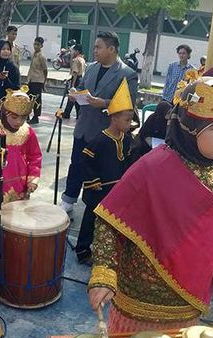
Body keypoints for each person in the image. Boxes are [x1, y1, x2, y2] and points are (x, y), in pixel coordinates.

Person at [87, 67, 213, 332]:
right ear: (189, 127)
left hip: (191, 294)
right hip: (140, 293)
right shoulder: (153, 167)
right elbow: (110, 220)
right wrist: (104, 273)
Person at [61, 32, 137, 215]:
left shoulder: (127, 74)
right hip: (84, 127)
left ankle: (97, 208)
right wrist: (75, 93)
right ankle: (69, 199)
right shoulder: (92, 68)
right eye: (95, 47)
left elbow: (129, 105)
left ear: (111, 49)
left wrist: (103, 103)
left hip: (106, 133)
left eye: (98, 47)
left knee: (100, 172)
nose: (94, 50)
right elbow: (82, 88)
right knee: (77, 164)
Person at [0, 89, 41, 257]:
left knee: (18, 220)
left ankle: (15, 253)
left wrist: (33, 179)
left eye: (23, 117)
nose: (19, 122)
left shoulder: (28, 132)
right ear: (5, 112)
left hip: (20, 186)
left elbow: (35, 156)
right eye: (14, 117)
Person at [76, 78, 134, 264]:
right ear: (114, 118)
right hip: (98, 190)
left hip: (115, 189)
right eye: (127, 119)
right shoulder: (100, 140)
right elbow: (84, 160)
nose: (130, 123)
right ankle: (83, 250)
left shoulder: (126, 139)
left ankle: (106, 249)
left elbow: (126, 160)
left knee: (111, 221)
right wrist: (92, 181)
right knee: (90, 219)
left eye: (131, 119)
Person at [26, 37, 47, 125]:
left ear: (41, 45)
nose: (36, 46)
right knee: (28, 98)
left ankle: (36, 117)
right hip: (31, 79)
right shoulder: (33, 54)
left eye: (38, 44)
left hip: (38, 80)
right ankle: (27, 115)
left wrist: (44, 82)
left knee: (37, 100)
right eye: (35, 44)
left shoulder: (42, 57)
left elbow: (45, 70)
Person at [62, 44, 85, 119]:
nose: (72, 52)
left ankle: (66, 113)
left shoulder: (75, 60)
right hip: (81, 79)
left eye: (73, 51)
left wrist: (73, 85)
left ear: (77, 51)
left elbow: (75, 73)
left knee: (71, 97)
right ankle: (79, 114)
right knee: (78, 98)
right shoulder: (82, 59)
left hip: (76, 79)